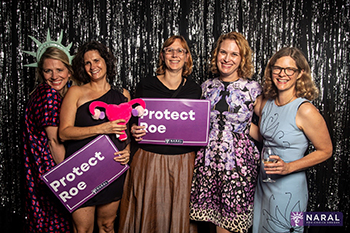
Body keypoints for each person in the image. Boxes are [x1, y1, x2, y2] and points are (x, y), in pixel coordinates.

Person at [118, 35, 202, 233]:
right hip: (149, 159)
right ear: (162, 55)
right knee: (147, 213)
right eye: (169, 50)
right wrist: (133, 128)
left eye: (180, 50)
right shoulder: (145, 85)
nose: (174, 55)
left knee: (178, 214)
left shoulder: (195, 90)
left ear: (187, 56)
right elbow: (133, 120)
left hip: (182, 161)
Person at [252, 47, 333, 233]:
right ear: (271, 70)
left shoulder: (305, 110)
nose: (282, 74)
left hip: (288, 189)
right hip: (264, 186)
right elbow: (266, 137)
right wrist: (237, 124)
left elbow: (326, 150)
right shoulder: (265, 103)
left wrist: (289, 167)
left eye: (290, 69)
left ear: (300, 73)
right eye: (278, 68)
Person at [189, 32, 262, 233]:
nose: (227, 59)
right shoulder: (206, 87)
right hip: (207, 163)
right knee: (205, 224)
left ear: (242, 59)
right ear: (217, 54)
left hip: (237, 167)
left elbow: (268, 130)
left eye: (234, 54)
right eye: (223, 52)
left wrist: (245, 127)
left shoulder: (253, 89)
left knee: (228, 227)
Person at [58, 40, 131, 233]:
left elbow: (127, 132)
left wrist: (128, 151)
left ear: (106, 62)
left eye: (97, 60)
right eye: (87, 63)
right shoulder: (76, 92)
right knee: (83, 229)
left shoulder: (123, 95)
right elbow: (64, 132)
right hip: (81, 170)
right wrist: (102, 128)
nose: (93, 66)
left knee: (107, 226)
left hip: (112, 168)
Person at [23, 46, 77, 232]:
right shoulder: (49, 96)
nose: (54, 76)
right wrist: (71, 180)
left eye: (59, 70)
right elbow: (54, 141)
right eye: (48, 71)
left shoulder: (37, 93)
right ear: (41, 73)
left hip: (37, 171)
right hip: (52, 171)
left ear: (69, 72)